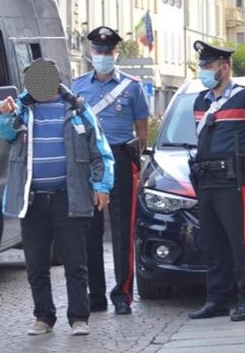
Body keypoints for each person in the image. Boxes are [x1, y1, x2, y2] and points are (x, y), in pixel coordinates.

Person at [0, 58, 114, 336]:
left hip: (68, 198)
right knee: (36, 264)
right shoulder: (21, 110)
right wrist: (6, 114)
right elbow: (2, 133)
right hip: (32, 200)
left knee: (75, 262)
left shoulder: (78, 110)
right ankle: (43, 317)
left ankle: (79, 318)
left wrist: (102, 186)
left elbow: (100, 152)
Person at [187, 41, 245, 322]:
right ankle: (216, 300)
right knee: (213, 244)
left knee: (241, 243)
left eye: (208, 66)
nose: (203, 70)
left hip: (234, 181)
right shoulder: (201, 101)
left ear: (224, 67)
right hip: (207, 181)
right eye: (201, 66)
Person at [73, 26, 150, 315]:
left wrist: (132, 161)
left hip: (120, 159)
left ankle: (123, 294)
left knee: (122, 230)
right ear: (91, 52)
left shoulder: (132, 87)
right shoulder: (78, 86)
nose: (103, 56)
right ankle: (96, 295)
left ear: (116, 53)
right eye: (98, 51)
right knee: (89, 232)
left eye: (108, 51)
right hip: (89, 164)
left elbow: (142, 134)